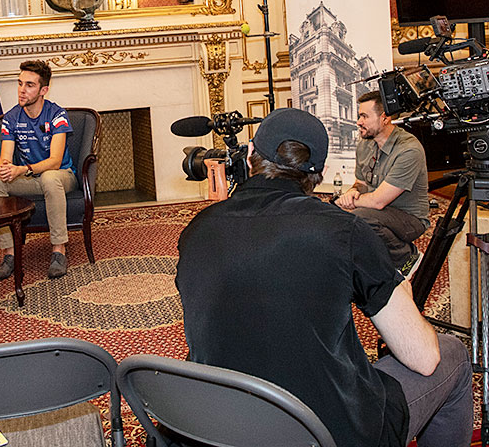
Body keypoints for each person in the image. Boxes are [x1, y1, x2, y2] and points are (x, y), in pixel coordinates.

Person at [176, 107, 473, 447]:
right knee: (451, 354)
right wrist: (399, 291)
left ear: (251, 153)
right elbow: (423, 358)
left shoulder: (196, 230)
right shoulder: (344, 231)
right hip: (324, 431)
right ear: (320, 172)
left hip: (217, 425)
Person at [0, 59, 77, 280]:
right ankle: (9, 254)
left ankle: (59, 251)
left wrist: (22, 169)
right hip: (29, 178)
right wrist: (5, 167)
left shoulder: (56, 115)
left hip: (62, 176)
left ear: (43, 90)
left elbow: (55, 161)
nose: (22, 90)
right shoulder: (11, 118)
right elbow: (6, 157)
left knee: (49, 178)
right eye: (20, 83)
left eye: (29, 85)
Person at [335, 90, 430, 273]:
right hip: (380, 213)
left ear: (385, 118)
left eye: (364, 116)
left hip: (410, 219)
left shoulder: (409, 149)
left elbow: (378, 201)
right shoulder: (365, 144)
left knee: (361, 218)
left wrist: (347, 201)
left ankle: (407, 257)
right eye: (359, 116)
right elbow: (361, 183)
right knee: (344, 218)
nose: (359, 122)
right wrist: (353, 191)